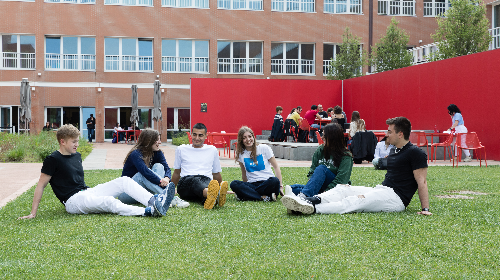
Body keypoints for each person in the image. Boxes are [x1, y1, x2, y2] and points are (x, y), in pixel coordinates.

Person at [281, 117, 432, 217]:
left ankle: (312, 209)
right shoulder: (394, 150)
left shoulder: (415, 153)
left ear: (400, 134)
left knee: (356, 200)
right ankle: (309, 200)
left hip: (396, 199)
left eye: (389, 131)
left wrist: (425, 209)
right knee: (343, 188)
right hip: (382, 190)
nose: (387, 134)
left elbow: (422, 182)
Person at [18, 124, 175, 220]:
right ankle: (147, 212)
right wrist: (33, 213)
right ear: (62, 141)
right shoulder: (52, 159)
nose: (77, 145)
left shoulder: (77, 156)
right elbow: (41, 185)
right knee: (109, 202)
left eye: (78, 141)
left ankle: (154, 202)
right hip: (72, 201)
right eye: (74, 142)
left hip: (87, 192)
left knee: (125, 181)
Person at [118, 128, 189, 208]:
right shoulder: (136, 154)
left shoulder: (158, 153)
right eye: (157, 140)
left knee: (159, 166)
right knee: (141, 175)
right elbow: (145, 172)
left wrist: (166, 178)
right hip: (127, 193)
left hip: (145, 192)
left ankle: (161, 197)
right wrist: (167, 187)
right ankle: (169, 197)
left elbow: (166, 168)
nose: (160, 142)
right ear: (148, 141)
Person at [286, 123, 353, 199]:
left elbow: (342, 180)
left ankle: (304, 197)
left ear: (332, 138)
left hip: (337, 189)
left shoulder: (345, 155)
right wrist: (312, 181)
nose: (322, 137)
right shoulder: (320, 150)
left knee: (321, 169)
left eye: (324, 135)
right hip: (319, 185)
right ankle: (308, 195)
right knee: (292, 188)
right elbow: (312, 169)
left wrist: (326, 192)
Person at [171, 123, 228, 210]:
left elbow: (216, 173)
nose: (197, 138)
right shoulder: (181, 149)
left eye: (200, 135)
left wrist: (220, 186)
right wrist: (170, 190)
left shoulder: (212, 150)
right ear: (191, 134)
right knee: (196, 180)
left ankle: (213, 198)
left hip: (205, 182)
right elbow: (177, 172)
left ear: (206, 136)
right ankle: (213, 194)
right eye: (194, 134)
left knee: (206, 190)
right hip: (185, 183)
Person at [230, 126, 283, 202]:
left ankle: (246, 195)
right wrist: (245, 187)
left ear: (253, 137)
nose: (248, 139)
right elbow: (244, 174)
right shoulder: (241, 154)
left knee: (275, 180)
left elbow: (276, 167)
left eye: (250, 136)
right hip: (253, 183)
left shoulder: (264, 148)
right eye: (244, 138)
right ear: (241, 140)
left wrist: (280, 187)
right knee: (234, 184)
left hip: (268, 183)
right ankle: (263, 197)